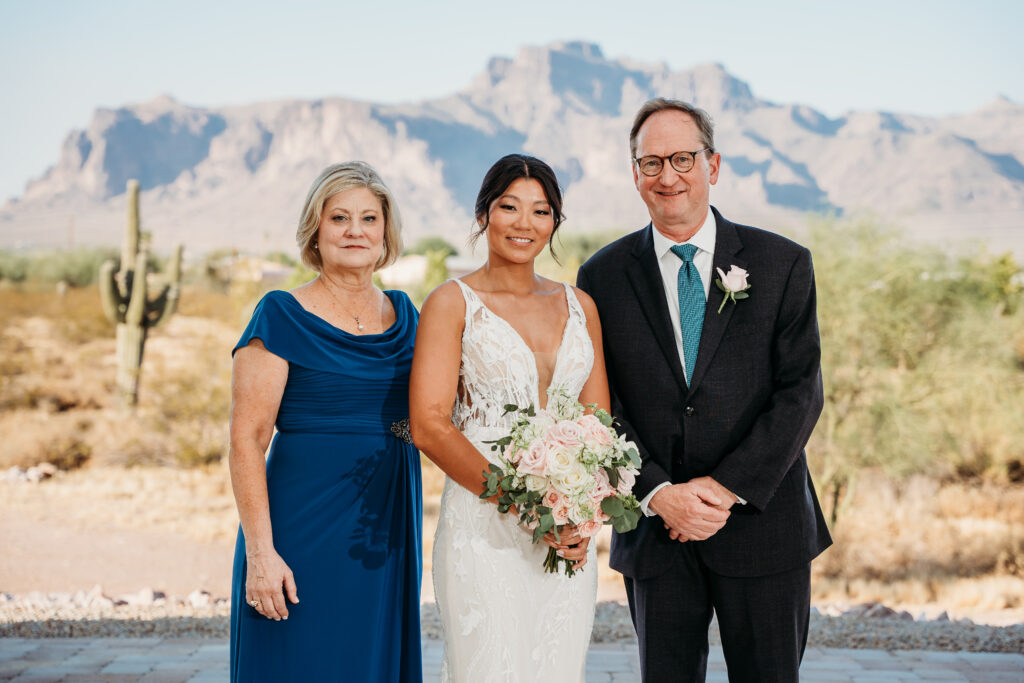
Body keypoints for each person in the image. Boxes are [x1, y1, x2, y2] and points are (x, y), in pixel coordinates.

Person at [576, 98, 833, 682]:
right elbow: (598, 405)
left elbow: (800, 393)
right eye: (651, 162)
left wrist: (721, 490)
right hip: (656, 529)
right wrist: (658, 491)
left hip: (764, 525)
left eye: (684, 158)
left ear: (713, 166)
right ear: (634, 173)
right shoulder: (602, 276)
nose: (668, 176)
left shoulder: (782, 263)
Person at [410, 154, 608, 682]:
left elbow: (598, 426)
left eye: (541, 211)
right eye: (509, 207)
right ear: (483, 215)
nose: (525, 223)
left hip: (566, 534)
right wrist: (523, 506)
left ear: (554, 222)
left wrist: (578, 516)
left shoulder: (581, 306)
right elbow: (429, 424)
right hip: (484, 527)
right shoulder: (451, 303)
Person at [228, 161, 422, 682]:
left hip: (386, 525)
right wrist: (261, 553)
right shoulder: (280, 314)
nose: (355, 231)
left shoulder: (409, 316)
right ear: (316, 230)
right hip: (299, 527)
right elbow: (247, 440)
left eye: (368, 219)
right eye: (339, 218)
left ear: (387, 232)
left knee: (368, 661)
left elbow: (439, 414)